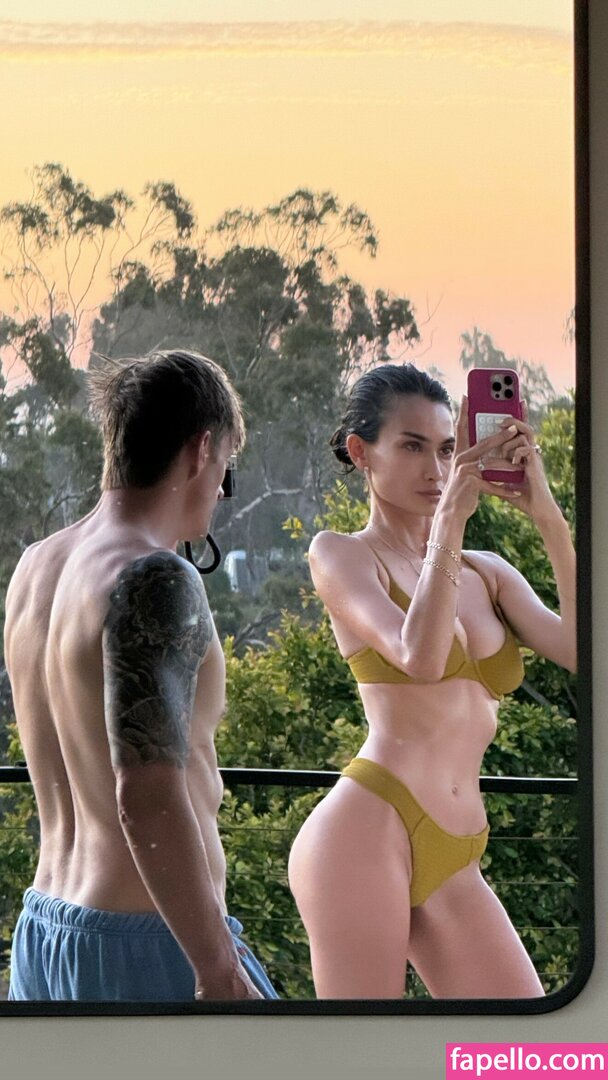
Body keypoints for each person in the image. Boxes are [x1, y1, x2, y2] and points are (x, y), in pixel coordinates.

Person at [288, 363, 576, 999]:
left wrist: (549, 520)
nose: (436, 468)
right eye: (412, 447)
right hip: (365, 831)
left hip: (457, 852)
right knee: (364, 1051)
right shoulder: (341, 554)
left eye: (446, 449)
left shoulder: (486, 572)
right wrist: (448, 523)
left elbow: (586, 653)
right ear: (361, 452)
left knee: (523, 1047)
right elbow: (416, 655)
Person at [4, 349, 278, 1002]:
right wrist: (217, 967)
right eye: (226, 470)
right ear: (202, 450)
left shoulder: (36, 567)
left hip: (44, 932)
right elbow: (147, 795)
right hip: (148, 941)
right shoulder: (154, 574)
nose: (220, 492)